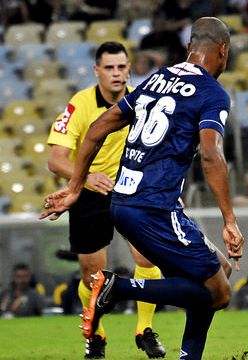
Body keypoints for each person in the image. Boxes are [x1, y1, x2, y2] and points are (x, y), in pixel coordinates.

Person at [40, 17, 243, 360]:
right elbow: (211, 154)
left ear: (190, 48)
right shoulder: (211, 93)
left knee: (215, 273)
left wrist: (75, 186)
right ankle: (118, 287)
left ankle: (187, 355)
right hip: (154, 208)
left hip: (123, 202)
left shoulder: (157, 79)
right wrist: (229, 219)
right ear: (222, 51)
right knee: (220, 294)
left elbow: (98, 128)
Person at [46, 41, 166, 359]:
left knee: (147, 258)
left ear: (129, 68)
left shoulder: (144, 99)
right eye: (109, 67)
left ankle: (145, 329)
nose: (116, 73)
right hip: (89, 191)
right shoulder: (80, 104)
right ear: (96, 70)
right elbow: (56, 159)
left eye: (121, 67)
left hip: (131, 188)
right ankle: (96, 335)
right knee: (93, 276)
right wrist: (85, 178)